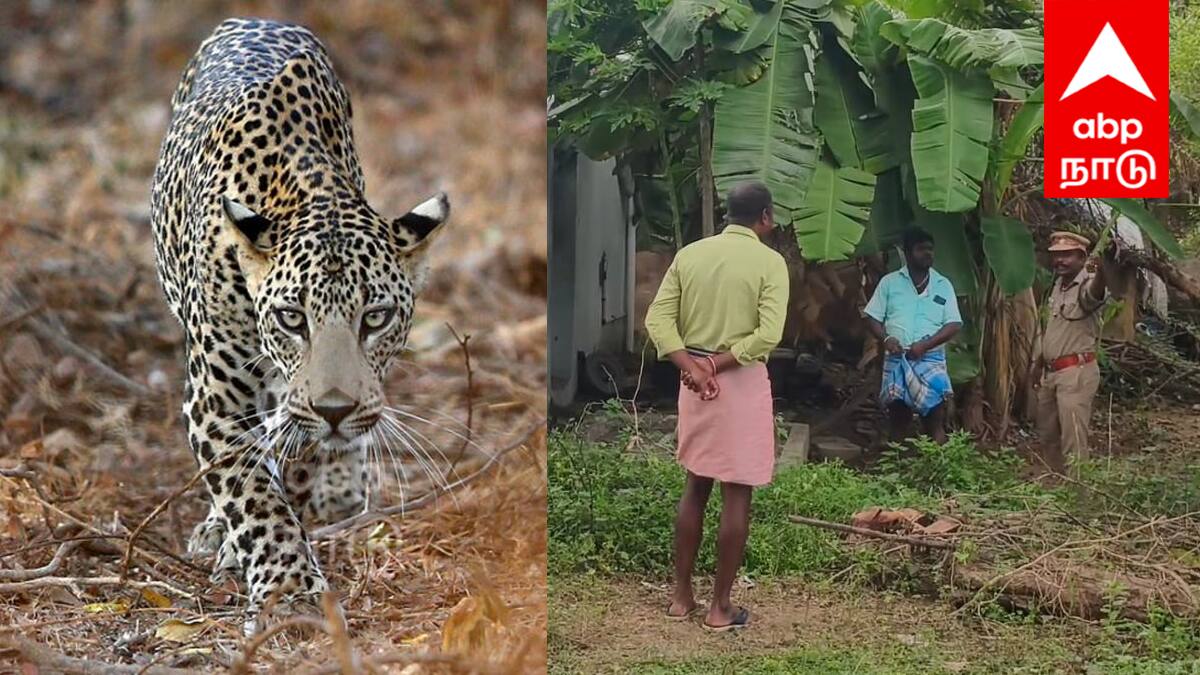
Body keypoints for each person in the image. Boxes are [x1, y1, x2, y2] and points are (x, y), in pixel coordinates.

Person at [644, 181, 789, 632]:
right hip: (739, 380)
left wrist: (692, 366)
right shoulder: (770, 263)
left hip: (694, 383)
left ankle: (681, 597)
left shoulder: (691, 255)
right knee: (737, 493)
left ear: (728, 214)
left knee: (695, 485)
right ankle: (720, 607)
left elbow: (657, 320)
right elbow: (769, 334)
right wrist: (715, 365)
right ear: (764, 217)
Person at [864, 228, 962, 444]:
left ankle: (939, 463)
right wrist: (887, 339)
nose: (927, 253)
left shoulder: (943, 285)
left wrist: (926, 345)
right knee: (898, 420)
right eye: (921, 249)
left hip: (931, 360)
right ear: (907, 253)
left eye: (930, 249)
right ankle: (896, 462)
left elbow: (954, 324)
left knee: (934, 420)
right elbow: (872, 317)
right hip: (897, 358)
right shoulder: (890, 283)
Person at [1031, 231, 1109, 474]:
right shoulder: (1059, 285)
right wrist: (1037, 366)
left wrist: (1103, 270)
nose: (1060, 260)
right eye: (1056, 255)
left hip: (1076, 373)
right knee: (1048, 435)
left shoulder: (1087, 284)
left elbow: (1094, 293)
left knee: (1073, 439)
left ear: (1081, 258)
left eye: (1067, 255)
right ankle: (1057, 486)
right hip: (1051, 374)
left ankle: (1079, 492)